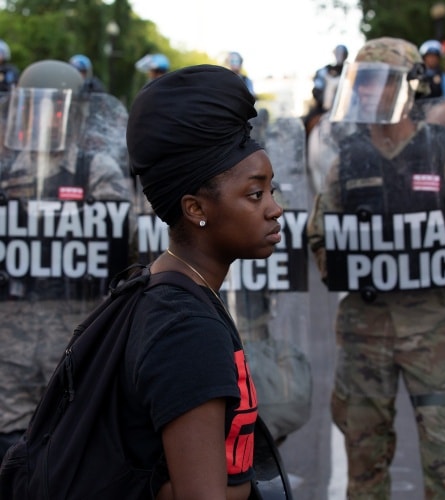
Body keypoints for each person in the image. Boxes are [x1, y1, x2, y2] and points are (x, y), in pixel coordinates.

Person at [307, 37, 445, 499]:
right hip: (364, 332)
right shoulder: (347, 159)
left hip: (435, 332)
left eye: (380, 83)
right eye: (363, 83)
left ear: (412, 88)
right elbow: (319, 235)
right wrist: (353, 261)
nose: (369, 93)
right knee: (364, 469)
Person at [125, 64, 284, 498]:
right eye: (256, 194)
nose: (275, 209)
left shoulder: (167, 286)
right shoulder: (186, 329)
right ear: (196, 209)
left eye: (273, 190)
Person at [0, 60, 131, 459]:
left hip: (77, 344)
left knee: (74, 454)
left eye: (55, 109)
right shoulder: (4, 176)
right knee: (10, 455)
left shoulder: (97, 172)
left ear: (73, 114)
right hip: (9, 346)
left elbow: (121, 254)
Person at [303, 44, 349, 135]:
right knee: (306, 124)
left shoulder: (350, 71)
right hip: (323, 108)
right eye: (337, 53)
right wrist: (325, 102)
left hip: (346, 109)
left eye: (342, 54)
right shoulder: (323, 71)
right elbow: (317, 90)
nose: (339, 56)